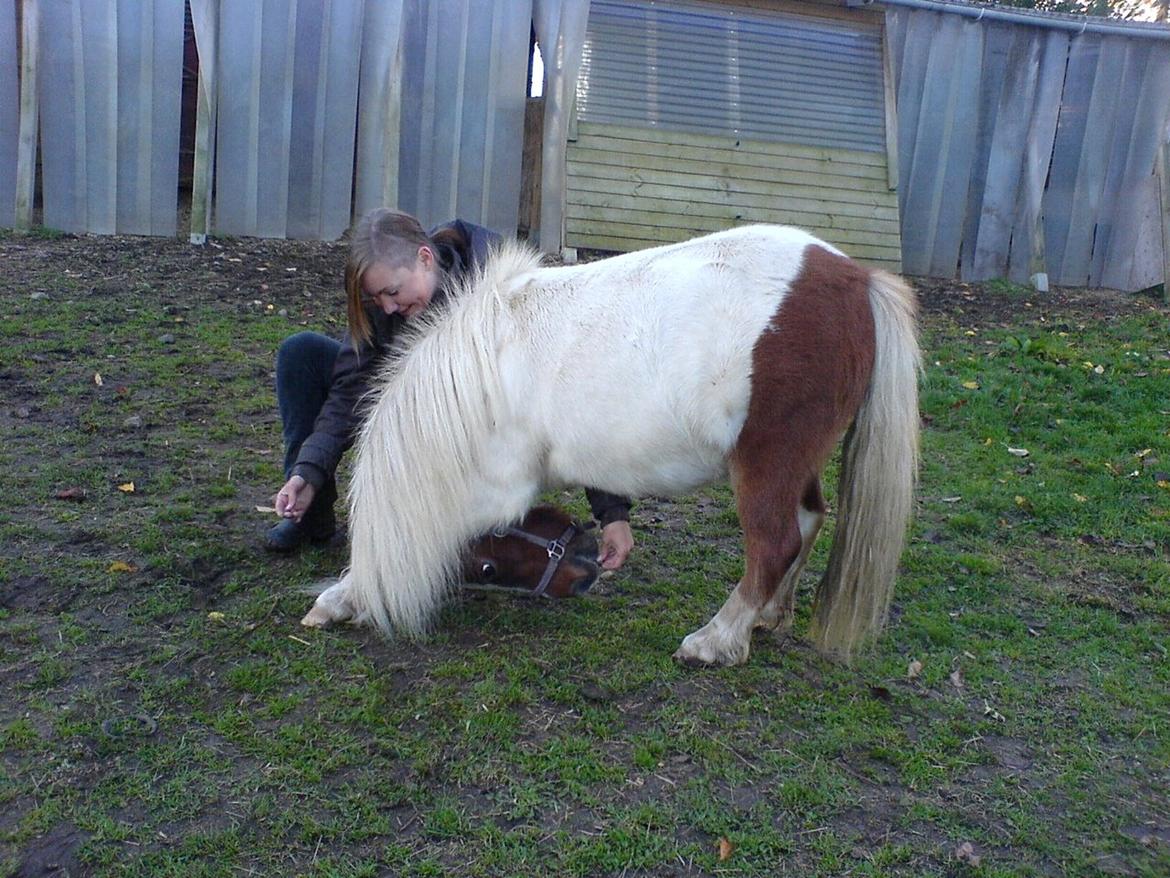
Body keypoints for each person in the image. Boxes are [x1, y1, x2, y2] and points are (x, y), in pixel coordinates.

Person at [267, 207, 636, 571]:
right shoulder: (386, 307)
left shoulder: (501, 288)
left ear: (425, 258)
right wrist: (308, 471)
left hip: (482, 432)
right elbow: (350, 390)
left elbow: (568, 392)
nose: (388, 308)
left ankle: (461, 529)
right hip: (409, 409)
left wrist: (613, 514)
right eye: (376, 299)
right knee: (300, 355)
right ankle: (309, 514)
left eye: (392, 292)